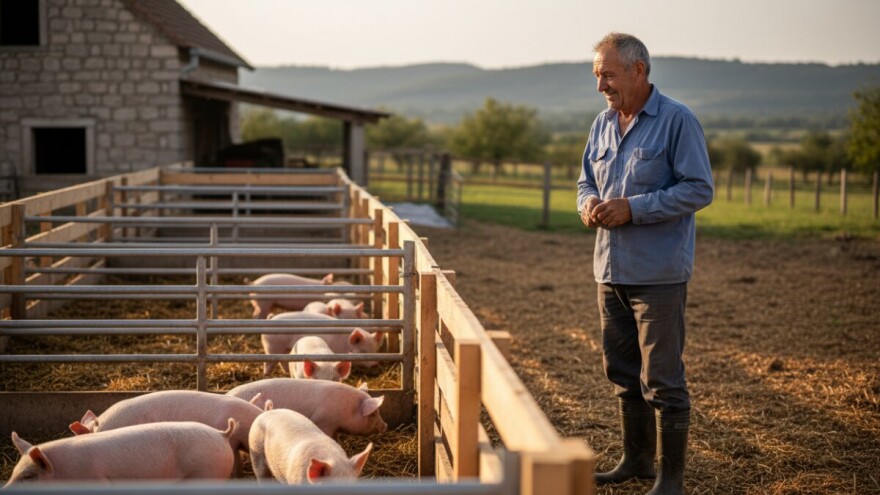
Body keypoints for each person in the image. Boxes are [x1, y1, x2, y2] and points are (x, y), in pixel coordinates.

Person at [576, 33, 714, 495]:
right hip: (609, 271)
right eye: (597, 75)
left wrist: (634, 207)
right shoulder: (601, 124)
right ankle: (636, 460)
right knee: (621, 371)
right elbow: (583, 182)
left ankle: (670, 477)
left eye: (608, 75)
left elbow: (699, 188)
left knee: (663, 379)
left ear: (639, 70)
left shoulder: (678, 121)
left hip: (658, 276)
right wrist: (588, 203)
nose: (601, 86)